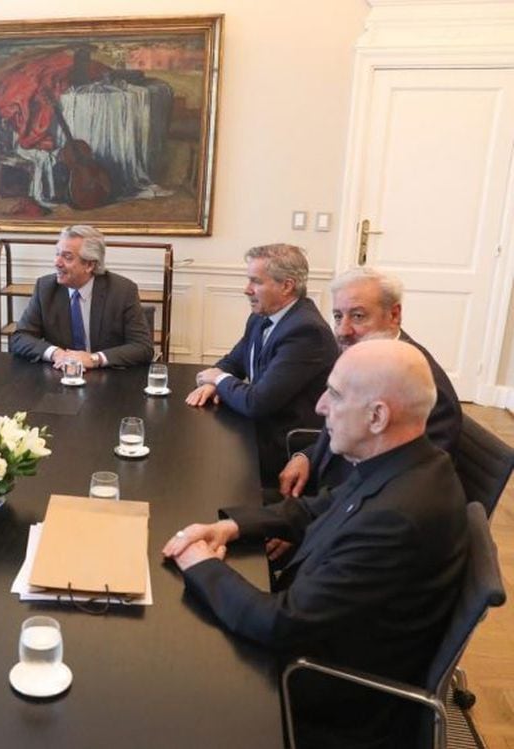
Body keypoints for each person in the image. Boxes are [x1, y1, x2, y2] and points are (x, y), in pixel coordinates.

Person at [164, 339, 468, 749]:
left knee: (170, 679)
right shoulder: (409, 463)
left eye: (335, 394)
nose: (321, 406)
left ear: (378, 416)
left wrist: (201, 564)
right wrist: (234, 527)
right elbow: (322, 505)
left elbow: (281, 623)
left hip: (329, 695)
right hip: (331, 640)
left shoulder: (397, 518)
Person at [278, 266, 461, 499]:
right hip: (323, 494)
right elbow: (345, 429)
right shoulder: (363, 358)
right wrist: (306, 457)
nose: (342, 330)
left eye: (358, 316)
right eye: (337, 316)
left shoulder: (420, 386)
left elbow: (400, 489)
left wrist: (307, 528)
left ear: (394, 315)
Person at [184, 243, 337, 484]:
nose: (247, 290)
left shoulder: (306, 331)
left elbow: (257, 402)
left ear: (287, 286)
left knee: (196, 467)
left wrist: (218, 379)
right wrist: (217, 380)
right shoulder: (261, 317)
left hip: (281, 447)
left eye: (256, 282)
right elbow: (233, 361)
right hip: (255, 430)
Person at [9, 225, 153, 370]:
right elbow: (19, 338)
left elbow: (143, 347)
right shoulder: (46, 288)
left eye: (67, 257)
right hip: (60, 377)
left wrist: (94, 359)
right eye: (57, 254)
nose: (57, 263)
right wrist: (56, 354)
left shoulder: (122, 291)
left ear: (90, 265)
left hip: (109, 380)